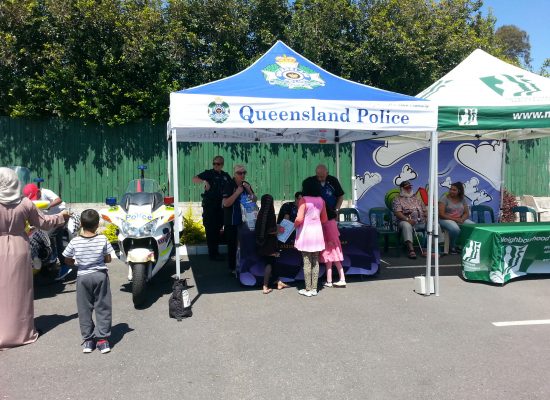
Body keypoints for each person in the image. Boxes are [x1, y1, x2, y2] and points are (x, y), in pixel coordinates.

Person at [0, 167, 68, 350]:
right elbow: (44, 223)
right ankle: (21, 332)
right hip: (19, 249)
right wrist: (61, 217)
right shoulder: (24, 203)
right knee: (20, 292)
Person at [63, 209, 114, 354]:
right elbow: (108, 258)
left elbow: (67, 259)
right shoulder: (102, 239)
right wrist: (101, 259)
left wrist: (76, 263)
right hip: (100, 275)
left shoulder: (75, 241)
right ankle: (103, 340)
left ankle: (88, 340)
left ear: (81, 225)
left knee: (84, 308)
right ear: (97, 225)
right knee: (103, 306)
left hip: (83, 277)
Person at [23, 183, 71, 281]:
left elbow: (59, 200)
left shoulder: (46, 192)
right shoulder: (32, 201)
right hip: (50, 221)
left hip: (62, 216)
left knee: (47, 236)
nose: (36, 199)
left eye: (37, 196)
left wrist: (48, 205)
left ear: (38, 191)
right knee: (58, 244)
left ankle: (52, 255)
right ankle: (63, 266)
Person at [192, 156, 231, 261]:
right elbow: (194, 179)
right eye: (214, 163)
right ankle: (212, 254)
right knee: (210, 230)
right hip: (210, 207)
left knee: (218, 229)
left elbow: (231, 186)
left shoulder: (225, 176)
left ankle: (216, 252)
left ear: (222, 164)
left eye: (218, 164)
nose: (215, 166)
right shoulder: (209, 173)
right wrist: (205, 181)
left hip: (221, 207)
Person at [294, 178, 328, 297]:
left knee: (307, 262)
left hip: (306, 234)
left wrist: (293, 225)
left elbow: (299, 219)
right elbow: (324, 219)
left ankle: (308, 289)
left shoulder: (303, 200)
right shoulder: (321, 200)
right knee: (316, 261)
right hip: (318, 234)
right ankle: (314, 288)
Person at [222, 164, 256, 274]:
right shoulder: (229, 184)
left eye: (244, 173)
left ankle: (245, 265)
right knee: (232, 245)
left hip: (246, 220)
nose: (242, 175)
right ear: (234, 174)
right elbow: (226, 203)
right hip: (232, 220)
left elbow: (254, 200)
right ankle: (232, 268)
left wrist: (249, 190)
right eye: (239, 173)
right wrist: (237, 193)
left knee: (246, 243)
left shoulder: (246, 184)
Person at [255, 194, 289, 294]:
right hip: (269, 244)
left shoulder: (261, 213)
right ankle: (265, 287)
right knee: (269, 263)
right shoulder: (270, 214)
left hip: (263, 243)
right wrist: (279, 229)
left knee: (272, 263)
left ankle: (278, 282)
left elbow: (263, 229)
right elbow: (270, 230)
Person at [392, 180, 427, 259]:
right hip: (404, 221)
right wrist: (407, 219)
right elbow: (398, 213)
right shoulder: (397, 199)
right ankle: (411, 250)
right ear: (401, 189)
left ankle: (428, 248)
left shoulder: (416, 198)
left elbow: (424, 209)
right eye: (406, 188)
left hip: (420, 221)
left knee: (433, 225)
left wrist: (426, 215)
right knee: (406, 225)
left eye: (410, 187)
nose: (409, 189)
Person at [439, 182, 474, 254]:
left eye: (454, 190)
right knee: (455, 229)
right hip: (445, 219)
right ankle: (452, 246)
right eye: (451, 189)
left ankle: (463, 245)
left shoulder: (462, 199)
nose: (451, 191)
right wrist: (456, 219)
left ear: (459, 191)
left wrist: (462, 219)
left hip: (459, 219)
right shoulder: (444, 198)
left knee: (472, 226)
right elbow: (441, 214)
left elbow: (466, 213)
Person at [321, 218, 346, 288]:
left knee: (328, 263)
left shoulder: (325, 223)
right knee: (337, 262)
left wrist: (329, 241)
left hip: (329, 244)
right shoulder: (333, 222)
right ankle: (342, 279)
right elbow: (338, 233)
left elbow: (326, 233)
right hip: (335, 243)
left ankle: (330, 281)